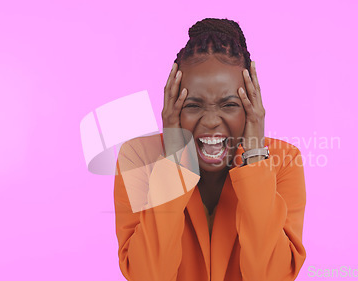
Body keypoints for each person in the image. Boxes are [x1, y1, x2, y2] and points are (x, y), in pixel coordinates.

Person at [113, 17, 306, 281]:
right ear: (172, 104)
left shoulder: (283, 161)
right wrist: (173, 158)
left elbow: (270, 276)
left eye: (229, 105)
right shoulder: (139, 158)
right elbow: (149, 275)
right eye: (192, 105)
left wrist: (254, 158)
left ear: (251, 106)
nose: (212, 120)